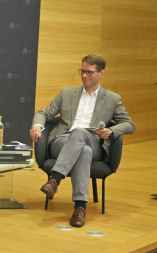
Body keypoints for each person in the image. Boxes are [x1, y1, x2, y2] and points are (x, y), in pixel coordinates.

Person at [30, 53, 135, 227]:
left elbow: (129, 125)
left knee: (82, 137)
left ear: (101, 73)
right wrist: (38, 126)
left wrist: (111, 131)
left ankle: (55, 179)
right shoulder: (67, 93)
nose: (84, 75)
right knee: (82, 149)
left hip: (94, 142)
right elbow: (43, 113)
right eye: (82, 71)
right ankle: (80, 208)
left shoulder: (112, 99)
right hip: (62, 141)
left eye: (89, 72)